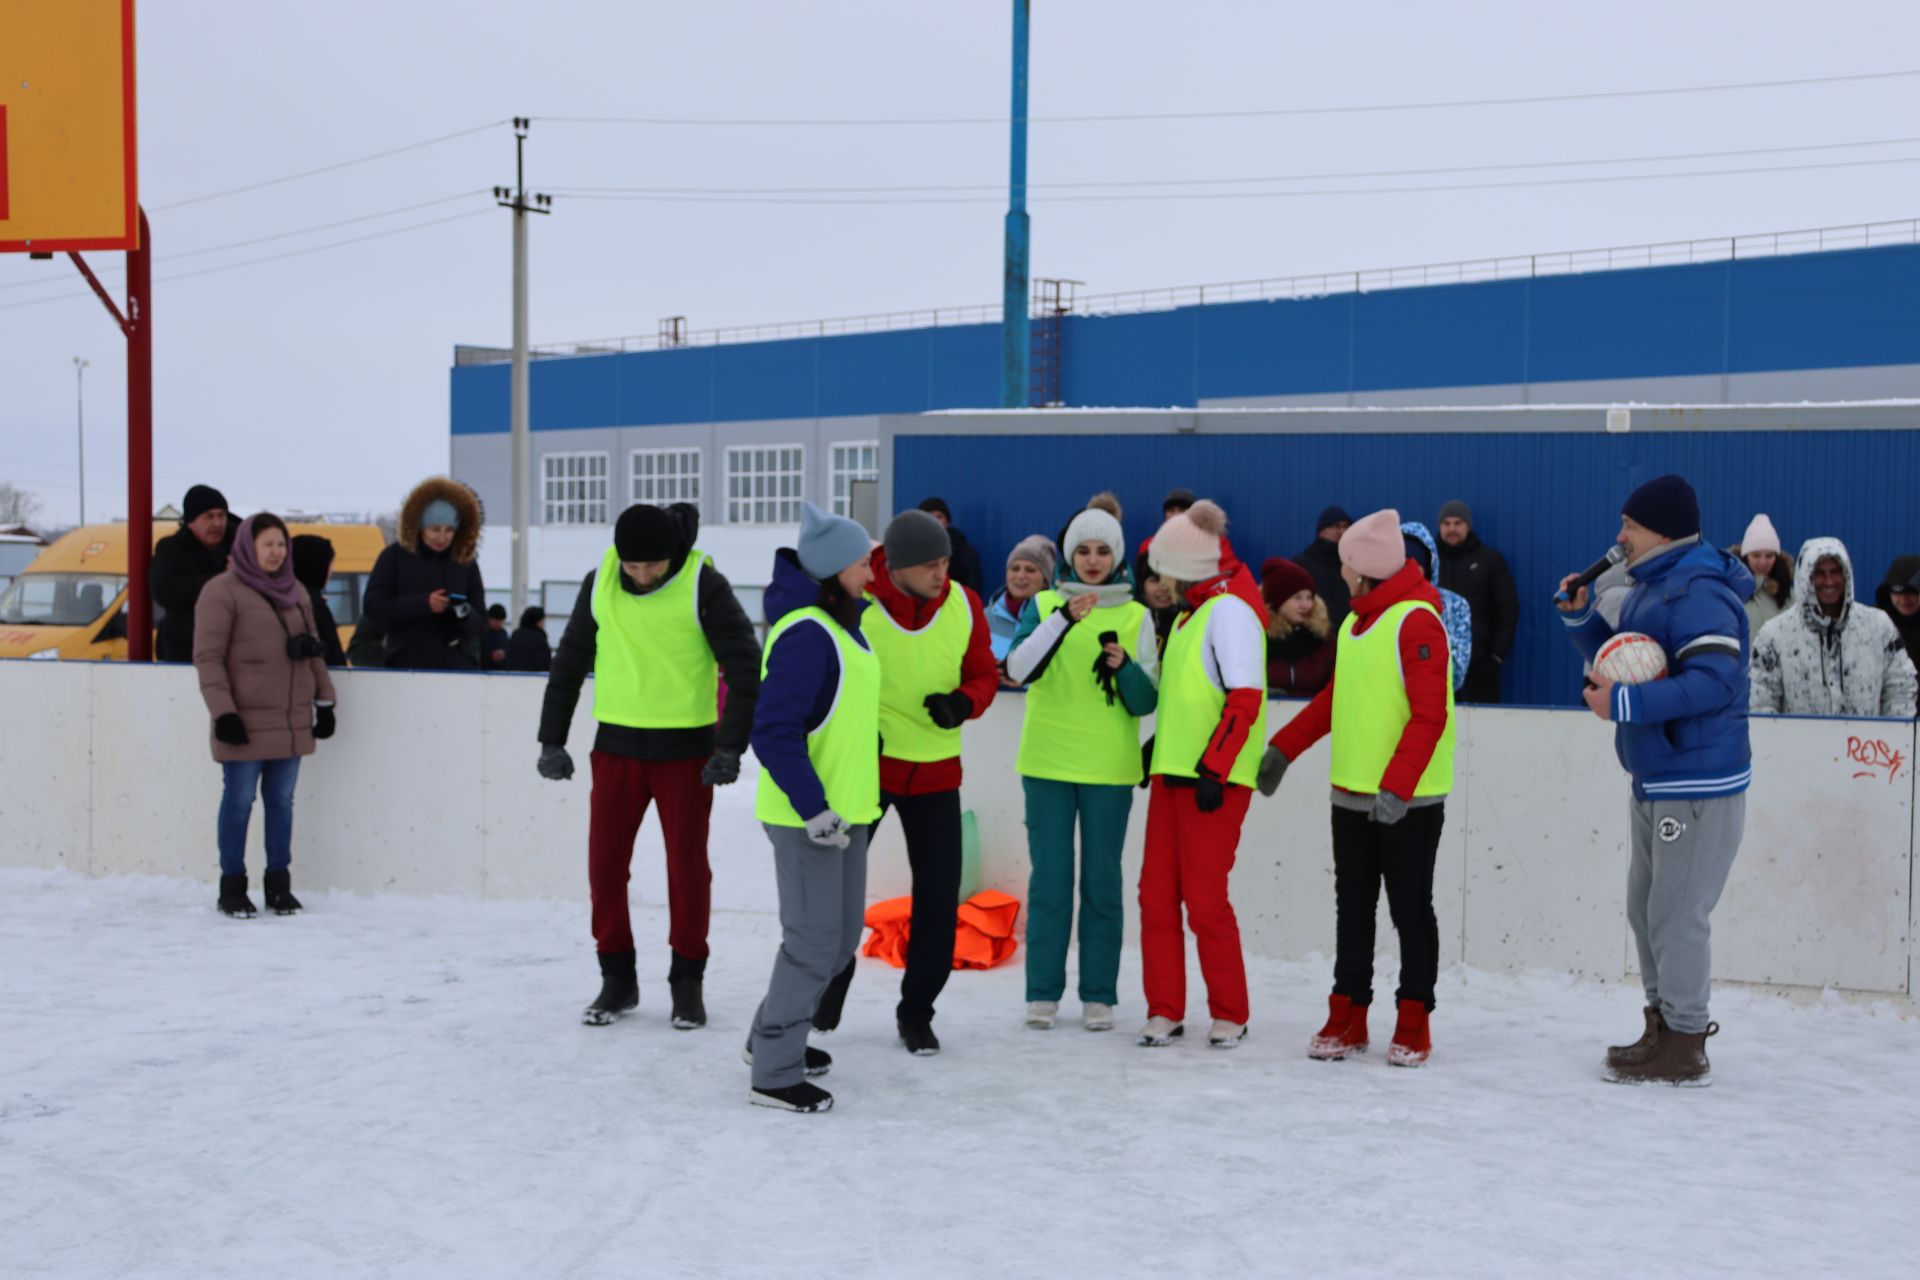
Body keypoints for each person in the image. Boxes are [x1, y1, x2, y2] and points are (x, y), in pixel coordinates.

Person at [1558, 474, 1752, 1087]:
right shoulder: (1651, 587)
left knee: (1676, 912)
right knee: (1647, 911)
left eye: (1630, 526)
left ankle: (1686, 1041)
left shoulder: (1698, 591)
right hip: (1657, 772)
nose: (1619, 537)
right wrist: (1583, 619)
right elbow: (1634, 659)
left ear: (1663, 530)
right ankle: (1662, 1027)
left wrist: (1625, 707)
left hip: (1697, 780)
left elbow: (1715, 681)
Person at [536, 502, 761, 1030]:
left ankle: (687, 982)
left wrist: (730, 746)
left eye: (652, 567)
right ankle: (617, 978)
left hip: (686, 753)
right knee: (604, 868)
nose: (640, 577)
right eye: (632, 566)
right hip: (615, 748)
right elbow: (569, 660)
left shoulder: (704, 584)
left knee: (687, 872)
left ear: (673, 555)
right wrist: (552, 740)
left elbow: (745, 661)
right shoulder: (600, 581)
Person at [1262, 509, 1454, 1068]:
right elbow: (1332, 703)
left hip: (1409, 801)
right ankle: (1348, 1012)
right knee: (1354, 909)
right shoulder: (1353, 625)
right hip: (1350, 794)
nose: (1337, 571)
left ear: (1359, 568)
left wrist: (1396, 789)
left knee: (1410, 908)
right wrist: (1283, 749)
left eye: (1344, 562)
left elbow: (1429, 716)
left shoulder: (1417, 622)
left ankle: (1414, 1018)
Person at [821, 507, 998, 1056]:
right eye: (928, 564)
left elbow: (985, 675)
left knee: (938, 899)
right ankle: (826, 993)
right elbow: (828, 674)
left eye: (945, 561)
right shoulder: (859, 603)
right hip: (866, 773)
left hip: (937, 775)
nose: (940, 572)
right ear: (895, 566)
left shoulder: (966, 605)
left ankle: (917, 1012)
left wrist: (962, 703)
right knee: (839, 895)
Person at [745, 502, 881, 1113]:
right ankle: (774, 1071)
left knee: (842, 938)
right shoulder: (806, 632)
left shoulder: (843, 623)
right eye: (861, 565)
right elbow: (774, 730)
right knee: (812, 940)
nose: (871, 576)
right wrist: (813, 808)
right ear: (833, 570)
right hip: (808, 817)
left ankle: (768, 1035)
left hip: (846, 812)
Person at [1005, 497, 1158, 1032]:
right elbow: (1018, 667)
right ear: (1069, 555)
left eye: (1102, 551)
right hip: (1047, 762)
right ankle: (1042, 993)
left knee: (1101, 883)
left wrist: (1124, 672)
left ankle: (1099, 994)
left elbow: (1146, 701)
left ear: (1116, 557)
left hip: (1110, 769)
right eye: (1082, 551)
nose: (1092, 560)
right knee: (1050, 881)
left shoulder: (1138, 615)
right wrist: (1063, 621)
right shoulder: (1045, 604)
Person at [1137, 499, 1267, 1049]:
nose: (1157, 579)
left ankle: (1230, 1011)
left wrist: (1215, 767)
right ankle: (1165, 1007)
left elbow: (1245, 699)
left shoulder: (1230, 611)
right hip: (1175, 776)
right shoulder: (1191, 615)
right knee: (1156, 896)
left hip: (1213, 782)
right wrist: (1157, 748)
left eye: (1162, 567)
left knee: (1205, 899)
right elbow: (1191, 697)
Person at [191, 514, 337, 919]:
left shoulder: (296, 593)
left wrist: (325, 701)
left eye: (281, 544)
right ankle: (233, 887)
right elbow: (208, 658)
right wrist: (223, 713)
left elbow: (313, 650)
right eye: (268, 544)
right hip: (244, 721)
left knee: (281, 802)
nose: (276, 552)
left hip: (290, 719)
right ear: (247, 547)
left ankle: (278, 885)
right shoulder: (221, 592)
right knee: (239, 803)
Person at [1750, 538, 1917, 718]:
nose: (1829, 581)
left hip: (1865, 744)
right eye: (1820, 573)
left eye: (1836, 571)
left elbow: (1901, 688)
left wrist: (1891, 738)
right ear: (1805, 576)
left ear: (1847, 574)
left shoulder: (1878, 627)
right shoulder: (1774, 635)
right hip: (1799, 745)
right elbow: (1761, 702)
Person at [361, 477, 488, 670]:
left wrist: (463, 612)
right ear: (420, 527)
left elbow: (480, 623)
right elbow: (373, 606)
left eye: (449, 530)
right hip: (405, 666)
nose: (442, 537)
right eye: (435, 529)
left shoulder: (465, 562)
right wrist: (423, 604)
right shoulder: (394, 557)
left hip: (457, 667)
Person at [1435, 500, 1519, 704]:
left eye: (1458, 523)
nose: (1452, 529)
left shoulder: (1490, 560)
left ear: (1468, 526)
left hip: (1480, 667)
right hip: (1435, 663)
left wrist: (1496, 656)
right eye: (1446, 523)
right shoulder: (1430, 561)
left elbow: (1508, 608)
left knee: (1482, 731)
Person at [151, 484, 235, 663]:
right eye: (209, 516)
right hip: (184, 649)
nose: (217, 523)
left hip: (231, 647)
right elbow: (164, 591)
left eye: (221, 516)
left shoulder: (239, 547)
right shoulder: (171, 549)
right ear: (191, 521)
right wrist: (221, 580)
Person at [1403, 521, 1472, 692]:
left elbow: (1456, 674)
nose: (1408, 571)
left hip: (1434, 705)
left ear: (1427, 567)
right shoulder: (1378, 605)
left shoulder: (1452, 605)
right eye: (1403, 563)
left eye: (1415, 564)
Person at [1260, 557, 1334, 696]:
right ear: (1276, 600)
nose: (1306, 605)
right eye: (1298, 598)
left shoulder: (1325, 641)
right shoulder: (1256, 638)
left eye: (1309, 597)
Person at [987, 535, 1056, 664]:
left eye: (1030, 570)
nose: (1020, 576)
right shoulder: (983, 618)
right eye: (1015, 568)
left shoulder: (1055, 621)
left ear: (1046, 581)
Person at [289, 534, 348, 667]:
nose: (332, 570)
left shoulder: (285, 598)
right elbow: (332, 656)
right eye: (330, 563)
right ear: (315, 564)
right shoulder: (312, 604)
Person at [1296, 505, 1355, 633]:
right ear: (1321, 531)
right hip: (1312, 639)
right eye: (1336, 526)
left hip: (1348, 638)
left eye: (1346, 526)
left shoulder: (1355, 565)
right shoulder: (1301, 564)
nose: (1342, 531)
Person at [1733, 514, 1793, 635]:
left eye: (1769, 556)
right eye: (1756, 555)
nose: (1763, 562)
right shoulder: (1732, 590)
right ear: (1746, 556)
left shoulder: (1788, 595)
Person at [915, 497, 985, 599]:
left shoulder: (964, 550)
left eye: (939, 517)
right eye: (929, 517)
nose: (935, 521)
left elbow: (973, 586)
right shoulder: (911, 551)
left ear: (947, 522)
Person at [1876, 555, 1920, 699]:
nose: (1904, 599)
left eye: (1912, 592)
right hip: (1884, 716)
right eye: (1897, 592)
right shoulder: (1873, 625)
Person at [506, 606, 552, 673]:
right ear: (537, 621)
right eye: (542, 620)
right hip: (535, 678)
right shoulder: (539, 637)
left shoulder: (515, 635)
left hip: (512, 676)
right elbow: (544, 662)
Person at [484, 604, 512, 670]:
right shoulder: (482, 633)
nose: (498, 623)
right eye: (496, 620)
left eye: (501, 621)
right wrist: (491, 656)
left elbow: (507, 649)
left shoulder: (503, 633)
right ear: (489, 619)